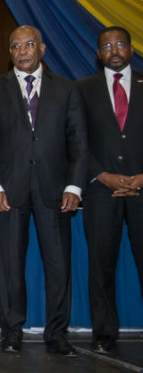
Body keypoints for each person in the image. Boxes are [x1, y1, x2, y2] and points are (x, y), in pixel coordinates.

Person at [0, 25, 88, 357]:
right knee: (11, 266)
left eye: (28, 45)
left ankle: (57, 333)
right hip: (8, 192)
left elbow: (79, 144)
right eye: (15, 46)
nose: (23, 51)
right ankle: (12, 332)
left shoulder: (66, 89)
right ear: (9, 52)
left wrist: (74, 185)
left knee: (58, 266)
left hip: (57, 192)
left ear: (42, 48)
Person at [76, 26, 143, 355]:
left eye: (119, 44)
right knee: (101, 265)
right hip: (101, 191)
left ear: (131, 49)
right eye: (106, 46)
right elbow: (75, 142)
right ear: (98, 53)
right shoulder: (82, 90)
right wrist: (101, 175)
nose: (113, 50)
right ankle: (104, 332)